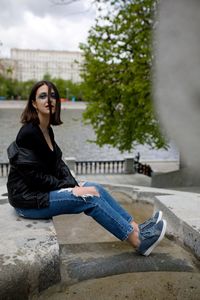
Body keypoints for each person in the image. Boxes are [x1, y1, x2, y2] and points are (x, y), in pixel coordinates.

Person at [7, 80, 167, 257]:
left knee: (95, 187)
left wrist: (74, 186)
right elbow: (33, 177)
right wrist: (67, 189)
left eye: (53, 95)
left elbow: (58, 164)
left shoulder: (46, 129)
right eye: (43, 96)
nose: (49, 100)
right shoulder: (28, 133)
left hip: (39, 194)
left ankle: (137, 228)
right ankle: (138, 242)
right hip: (28, 201)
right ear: (33, 103)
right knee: (89, 199)